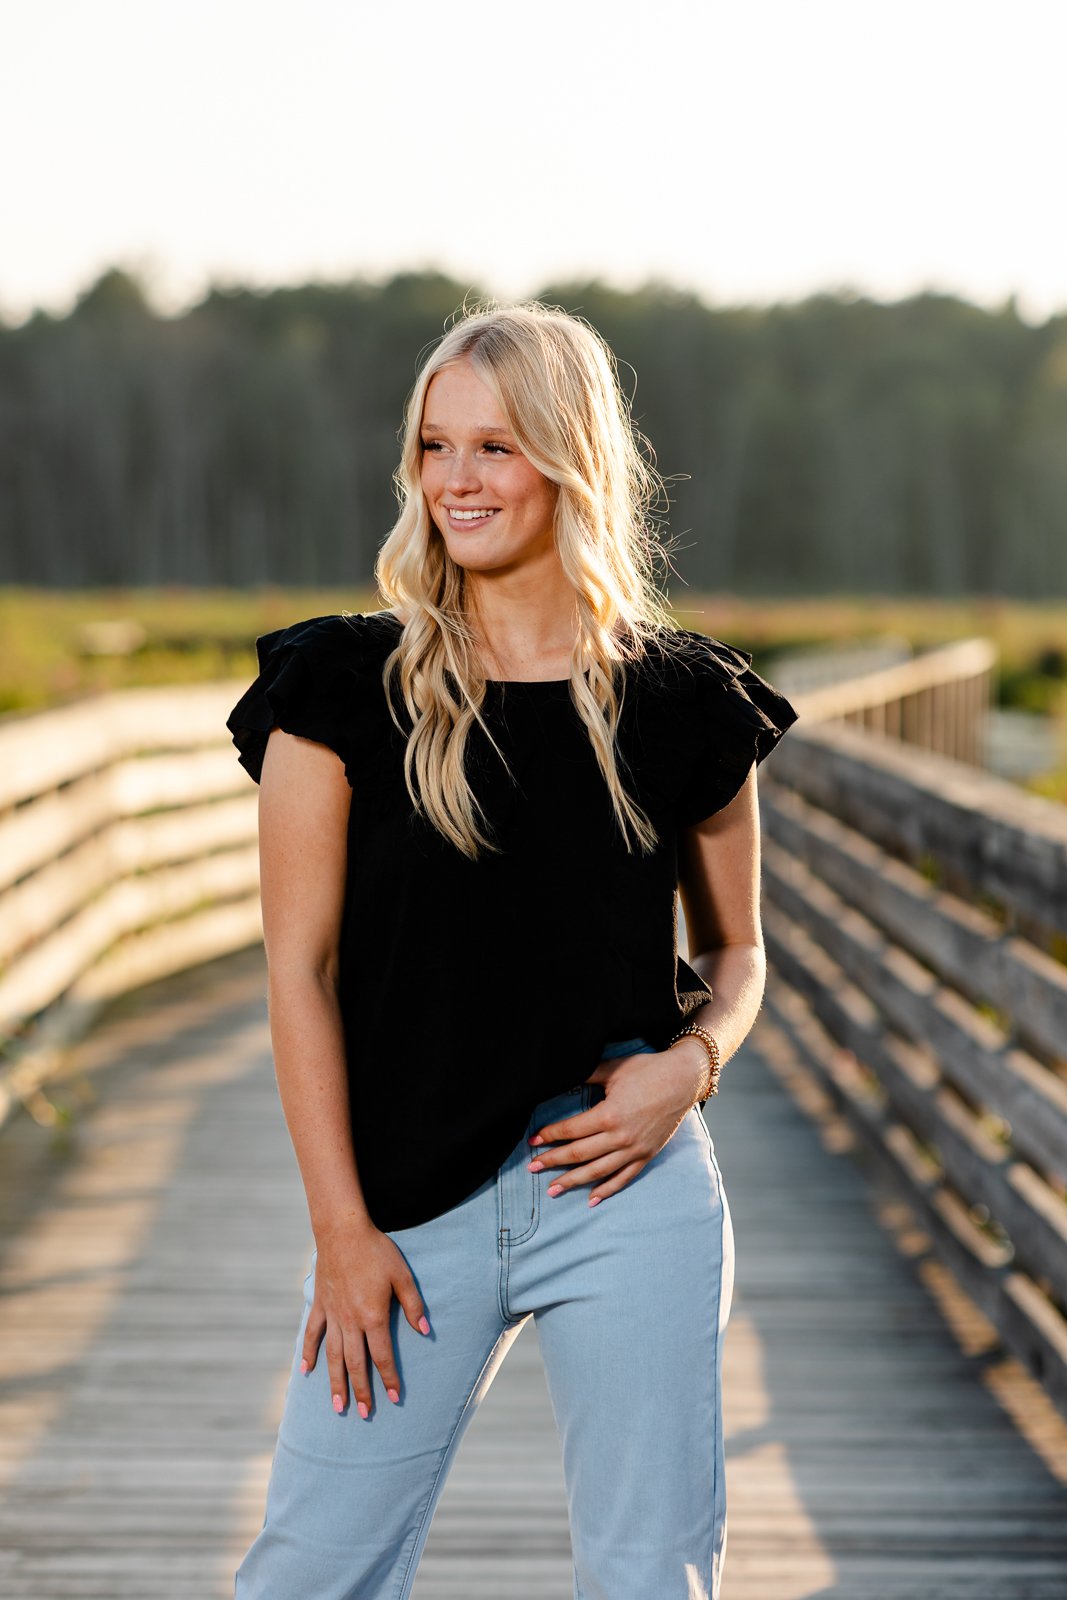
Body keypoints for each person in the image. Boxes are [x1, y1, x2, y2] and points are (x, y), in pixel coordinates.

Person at [225, 299, 798, 1600]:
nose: (456, 481)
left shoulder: (681, 701)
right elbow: (300, 977)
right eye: (435, 446)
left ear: (567, 455)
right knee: (308, 1574)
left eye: (494, 446)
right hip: (405, 1206)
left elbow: (743, 949)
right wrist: (340, 1232)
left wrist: (691, 1065)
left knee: (652, 1576)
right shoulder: (339, 693)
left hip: (626, 1187)